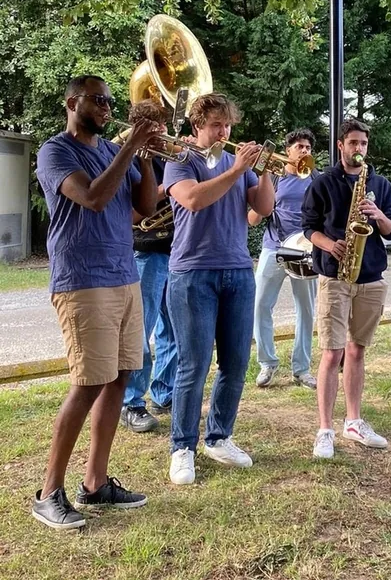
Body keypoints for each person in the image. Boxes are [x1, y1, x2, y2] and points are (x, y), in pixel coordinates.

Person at [33, 75, 160, 530]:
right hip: (82, 280)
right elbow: (91, 196)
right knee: (88, 382)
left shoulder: (111, 150)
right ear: (72, 102)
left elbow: (142, 208)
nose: (108, 107)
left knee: (119, 377)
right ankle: (48, 493)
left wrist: (146, 154)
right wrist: (131, 146)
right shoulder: (56, 152)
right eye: (99, 100)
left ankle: (96, 482)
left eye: (110, 101)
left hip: (124, 276)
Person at [164, 93, 274, 485]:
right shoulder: (181, 159)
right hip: (193, 272)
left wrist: (263, 171)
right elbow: (193, 199)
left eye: (227, 125)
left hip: (238, 271)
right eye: (216, 125)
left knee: (236, 363)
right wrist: (236, 170)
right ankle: (182, 447)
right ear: (198, 126)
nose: (224, 132)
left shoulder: (236, 162)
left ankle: (219, 436)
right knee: (192, 365)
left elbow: (263, 208)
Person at [302, 118, 391, 459]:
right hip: (335, 274)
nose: (358, 149)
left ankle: (354, 421)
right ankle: (325, 429)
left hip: (371, 276)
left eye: (363, 144)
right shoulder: (323, 183)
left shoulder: (381, 184)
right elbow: (308, 228)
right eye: (353, 143)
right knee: (332, 353)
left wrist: (377, 214)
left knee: (357, 350)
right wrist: (330, 245)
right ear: (341, 146)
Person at [121, 100, 179, 433]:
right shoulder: (126, 159)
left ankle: (163, 392)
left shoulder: (172, 157)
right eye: (156, 127)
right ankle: (132, 402)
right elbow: (131, 214)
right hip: (145, 252)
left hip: (176, 252)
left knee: (173, 331)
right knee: (139, 333)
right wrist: (166, 189)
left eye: (165, 126)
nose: (164, 133)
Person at [249, 129, 319, 390]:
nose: (304, 151)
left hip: (305, 249)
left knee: (307, 310)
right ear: (287, 150)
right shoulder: (275, 177)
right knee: (260, 305)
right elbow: (253, 218)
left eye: (308, 147)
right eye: (299, 146)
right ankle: (267, 363)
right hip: (274, 246)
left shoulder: (315, 178)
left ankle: (301, 369)